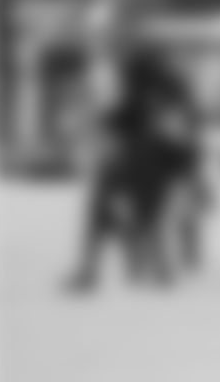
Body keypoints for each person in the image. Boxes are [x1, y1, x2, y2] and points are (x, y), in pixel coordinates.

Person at [66, 40, 205, 293]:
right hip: (152, 168)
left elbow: (126, 124)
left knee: (109, 212)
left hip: (146, 166)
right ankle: (153, 265)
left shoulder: (152, 97)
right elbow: (181, 140)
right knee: (139, 215)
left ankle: (96, 268)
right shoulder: (161, 97)